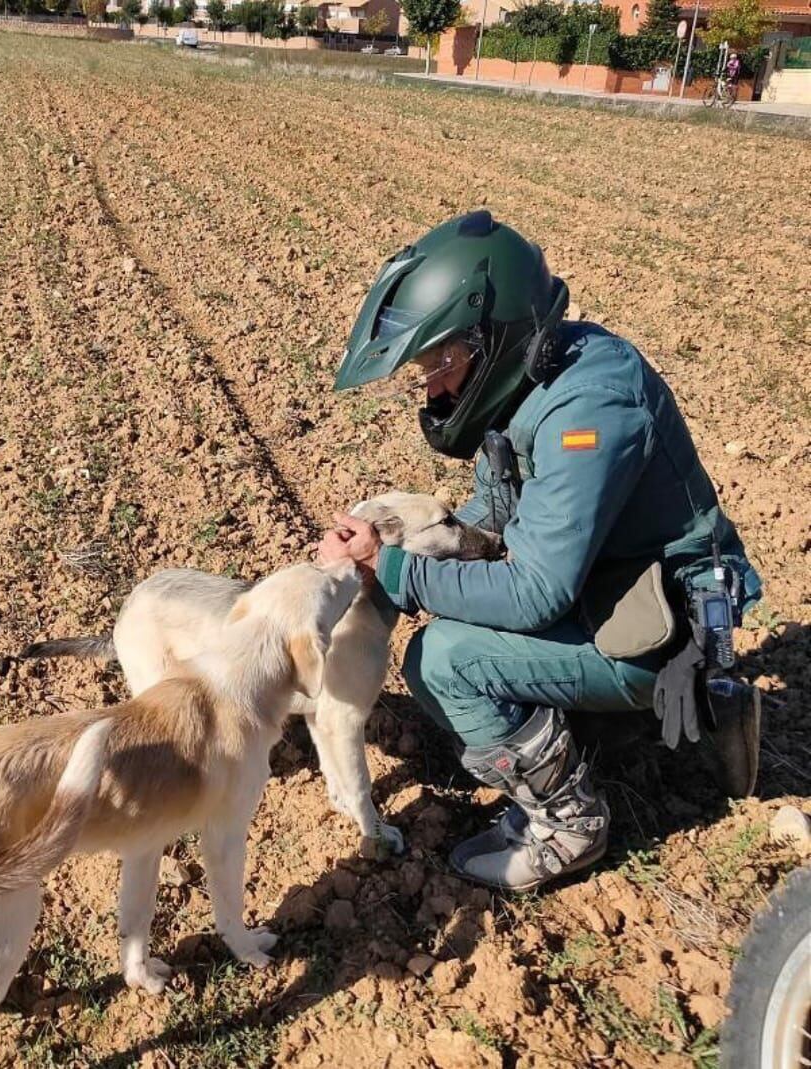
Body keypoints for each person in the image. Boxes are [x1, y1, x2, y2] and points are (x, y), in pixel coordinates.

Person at [318, 210, 762, 892]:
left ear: (494, 338)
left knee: (442, 660)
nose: (432, 386)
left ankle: (569, 823)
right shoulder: (533, 379)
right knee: (473, 627)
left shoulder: (588, 412)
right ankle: (663, 715)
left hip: (666, 625)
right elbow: (491, 514)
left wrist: (397, 569)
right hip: (615, 590)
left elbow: (534, 592)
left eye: (441, 362)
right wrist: (399, 543)